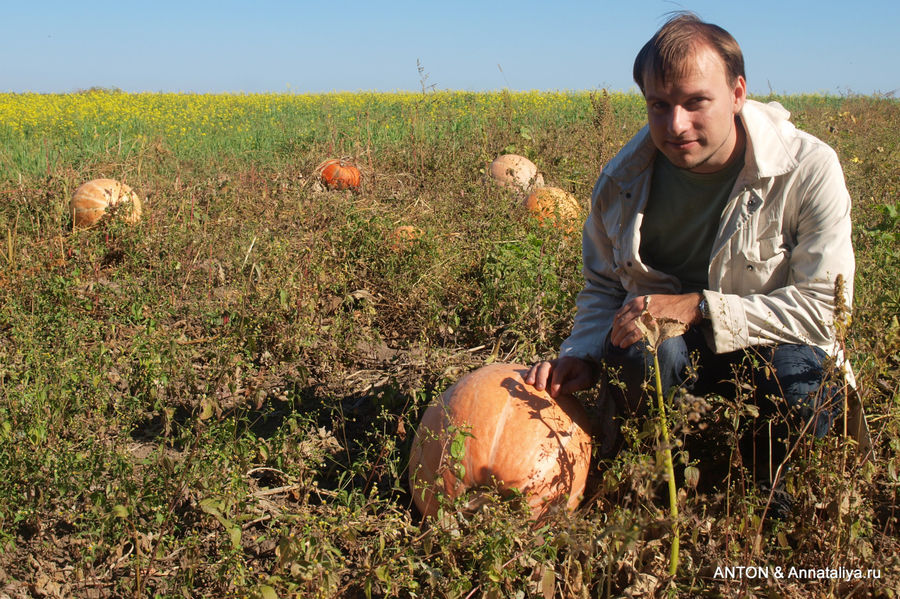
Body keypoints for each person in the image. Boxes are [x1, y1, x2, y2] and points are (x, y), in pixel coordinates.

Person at [525, 13, 862, 495]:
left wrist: (700, 305)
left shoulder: (806, 169)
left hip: (769, 352)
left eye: (695, 102)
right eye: (658, 105)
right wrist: (582, 354)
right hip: (678, 360)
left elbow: (824, 308)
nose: (675, 124)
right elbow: (602, 286)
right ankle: (665, 479)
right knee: (640, 351)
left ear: (738, 93)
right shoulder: (621, 183)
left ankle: (770, 494)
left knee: (805, 379)